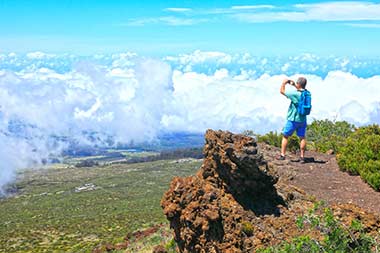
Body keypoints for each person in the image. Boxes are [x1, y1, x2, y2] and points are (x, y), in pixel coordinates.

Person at [277, 77, 308, 162]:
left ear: (298, 84)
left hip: (293, 119)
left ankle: (282, 155)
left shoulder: (295, 94)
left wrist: (284, 83)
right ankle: (302, 157)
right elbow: (300, 89)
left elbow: (282, 91)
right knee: (302, 137)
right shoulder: (306, 93)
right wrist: (294, 85)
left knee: (285, 136)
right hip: (303, 119)